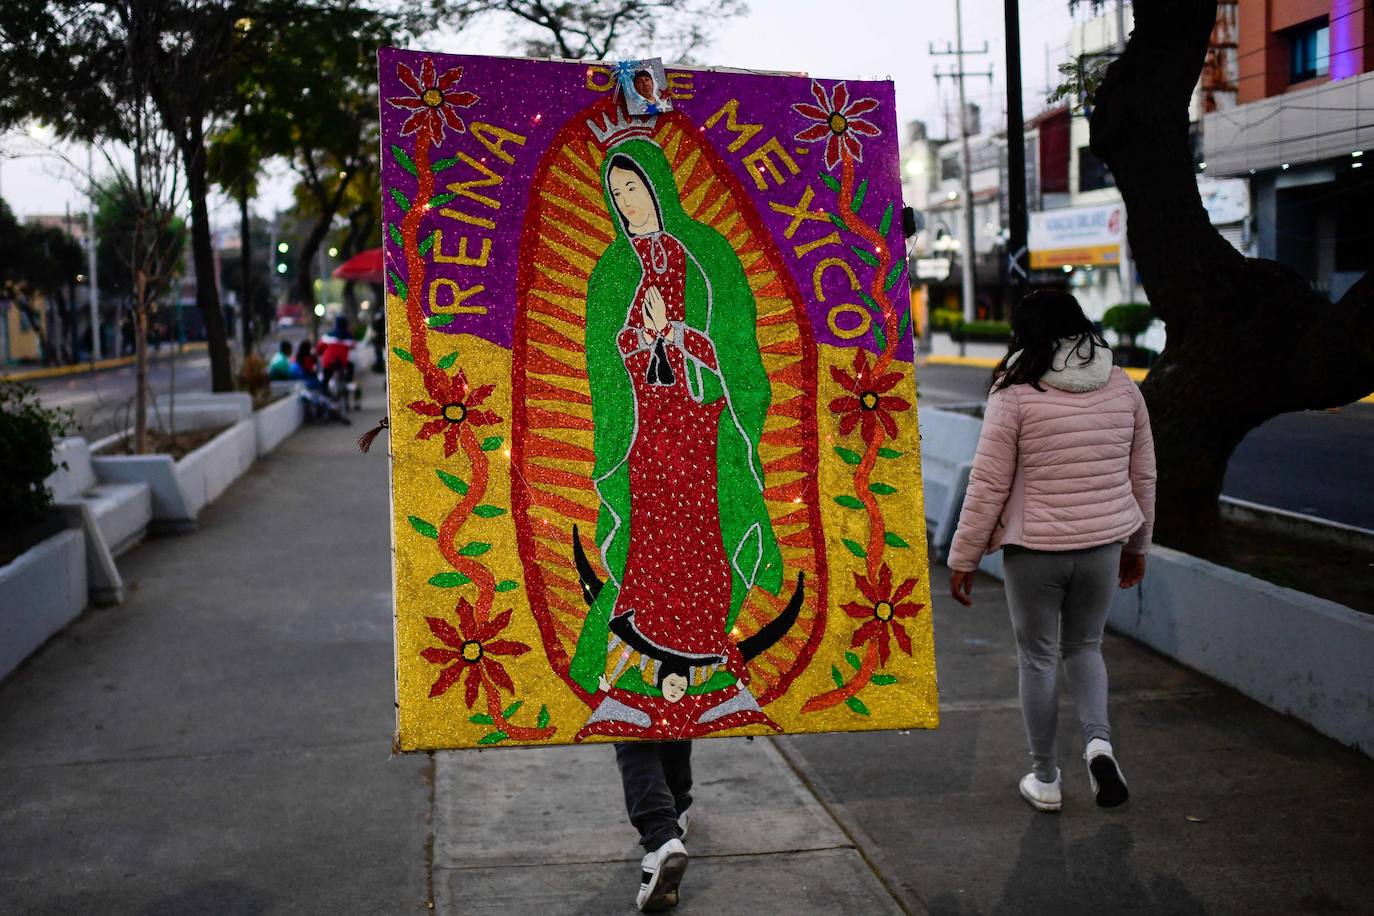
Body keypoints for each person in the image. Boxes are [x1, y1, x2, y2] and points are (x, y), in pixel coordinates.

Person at [571, 139, 786, 911]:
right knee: (652, 614)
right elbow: (603, 362)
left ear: (661, 186)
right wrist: (636, 341)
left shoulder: (707, 257)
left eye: (636, 189)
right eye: (616, 194)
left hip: (700, 448)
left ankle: (662, 827)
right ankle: (677, 807)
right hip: (642, 455)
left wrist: (679, 338)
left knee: (682, 618)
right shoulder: (609, 271)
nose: (628, 206)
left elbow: (739, 356)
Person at [947, 289, 1156, 814]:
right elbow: (1143, 473)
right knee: (1085, 647)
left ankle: (1045, 779)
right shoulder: (1122, 385)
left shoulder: (1014, 390)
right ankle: (1100, 746)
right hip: (1103, 545)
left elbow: (989, 483)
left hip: (1035, 549)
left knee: (1037, 658)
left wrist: (964, 556)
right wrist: (1138, 544)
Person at [316, 315, 356, 391]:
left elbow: (319, 348)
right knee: (351, 366)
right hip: (342, 362)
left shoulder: (328, 335)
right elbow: (353, 345)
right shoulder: (349, 336)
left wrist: (319, 352)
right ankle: (349, 382)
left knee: (325, 379)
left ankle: (324, 392)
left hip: (328, 362)